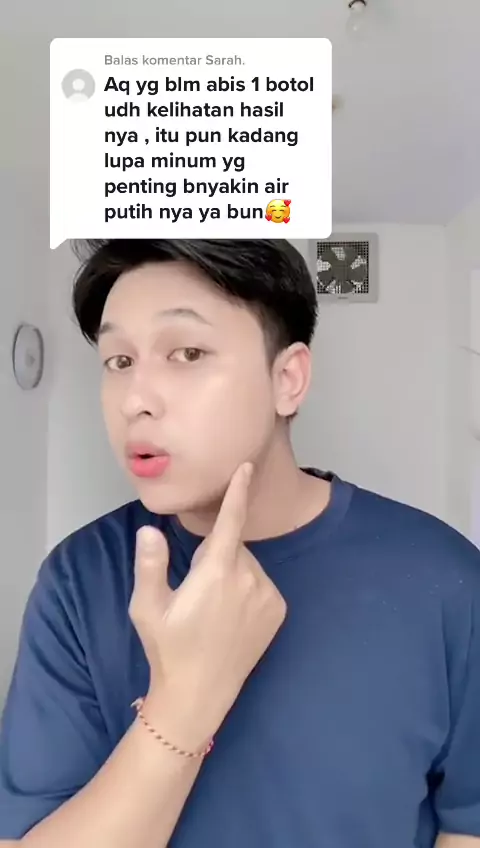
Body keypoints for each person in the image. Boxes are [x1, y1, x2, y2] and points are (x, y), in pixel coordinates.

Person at [0, 239, 479, 848]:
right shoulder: (77, 579)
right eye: (119, 361)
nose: (135, 401)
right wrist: (183, 704)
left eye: (187, 353)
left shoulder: (443, 577)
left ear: (287, 379)